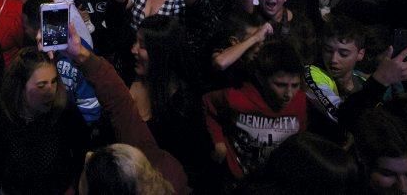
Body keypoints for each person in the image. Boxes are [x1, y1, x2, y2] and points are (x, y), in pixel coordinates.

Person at [0, 47, 90, 194]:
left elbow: (83, 154)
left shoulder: (65, 113)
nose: (51, 91)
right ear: (20, 87)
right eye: (41, 85)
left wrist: (73, 187)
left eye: (54, 81)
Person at [128, 15, 213, 191]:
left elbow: (194, 166)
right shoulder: (129, 83)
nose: (133, 50)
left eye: (142, 45)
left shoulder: (183, 106)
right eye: (135, 42)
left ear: (161, 52)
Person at [203, 40, 307, 182]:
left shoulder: (300, 101)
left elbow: (300, 135)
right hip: (238, 178)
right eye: (280, 85)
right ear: (261, 78)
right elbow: (209, 104)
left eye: (295, 85)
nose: (289, 94)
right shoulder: (237, 97)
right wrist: (218, 142)